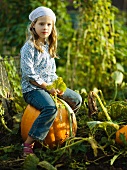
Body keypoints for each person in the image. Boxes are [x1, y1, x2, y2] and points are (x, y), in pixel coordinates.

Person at [20, 6, 82, 156]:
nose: (45, 27)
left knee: (77, 99)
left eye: (49, 24)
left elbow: (51, 72)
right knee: (50, 108)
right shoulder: (29, 48)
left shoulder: (49, 46)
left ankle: (63, 125)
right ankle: (28, 143)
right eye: (41, 24)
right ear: (33, 25)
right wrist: (48, 88)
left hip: (49, 86)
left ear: (52, 26)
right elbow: (30, 76)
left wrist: (57, 86)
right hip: (33, 89)